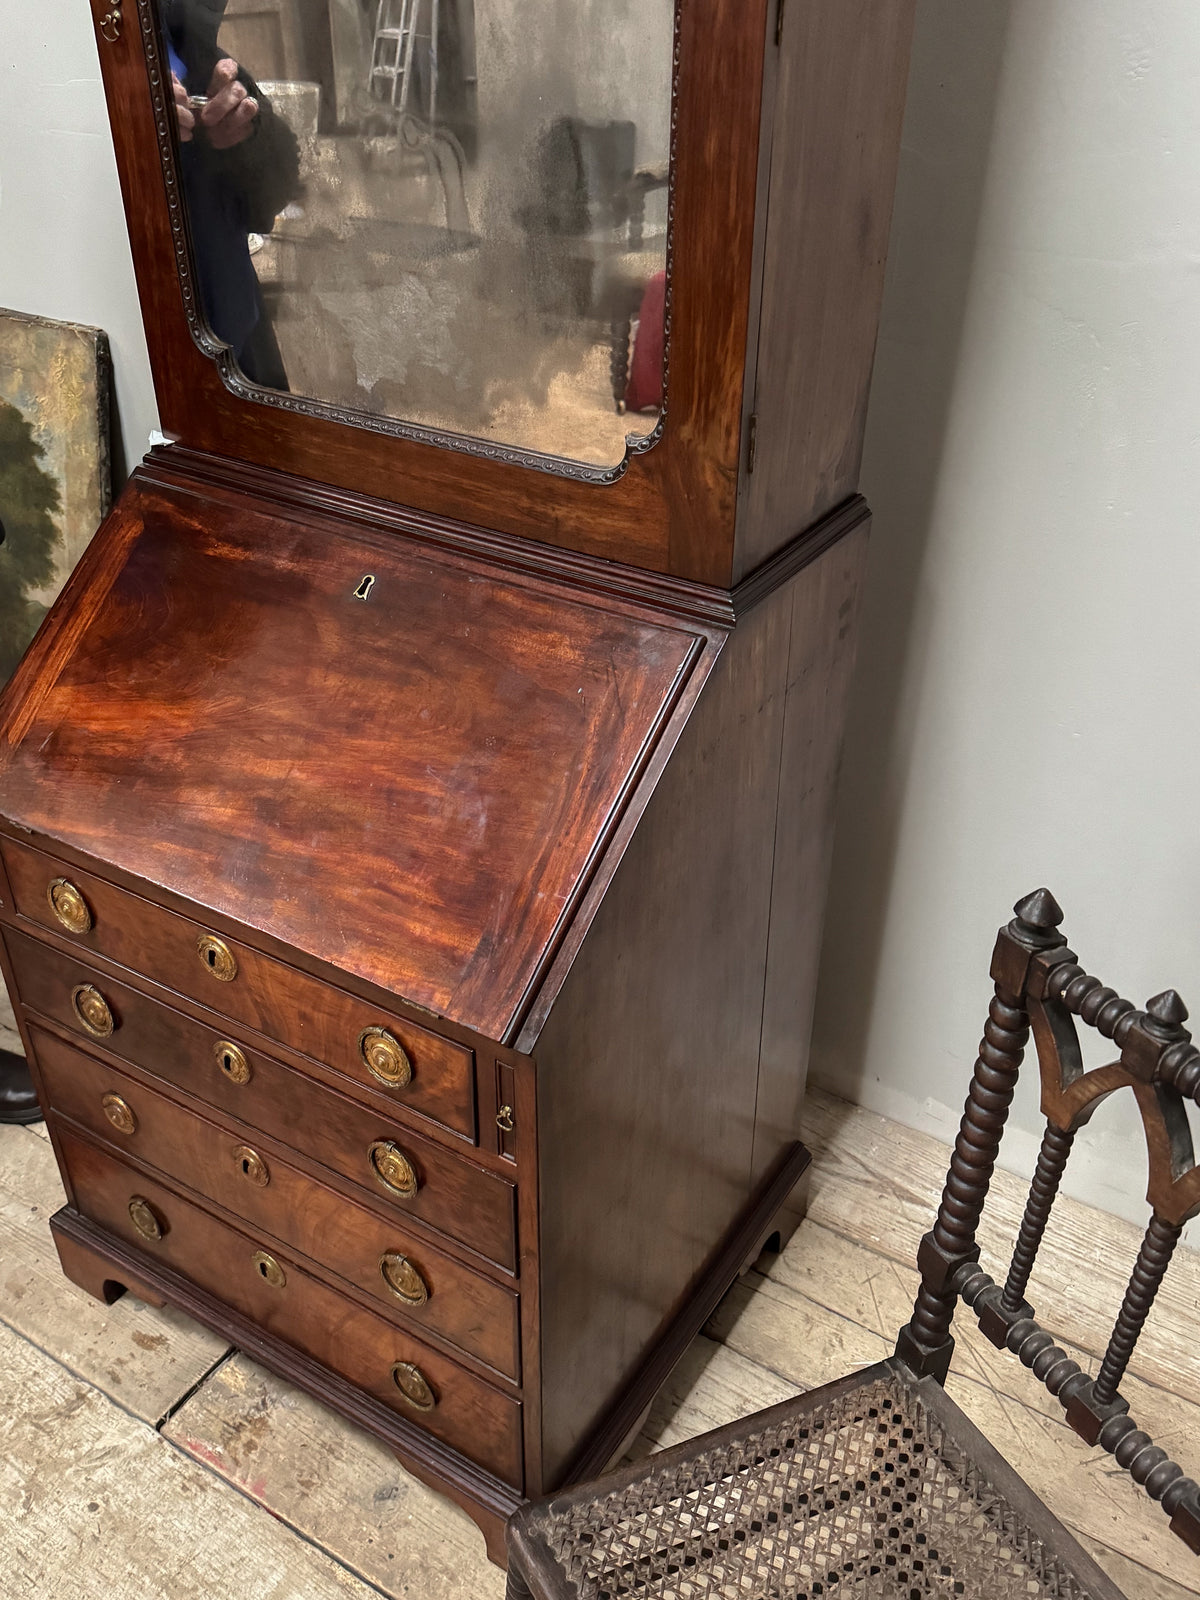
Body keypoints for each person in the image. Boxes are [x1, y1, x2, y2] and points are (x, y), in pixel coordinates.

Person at [162, 0, 302, 388]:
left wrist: (248, 134)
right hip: (160, 367)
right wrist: (125, 124)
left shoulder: (198, 49)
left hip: (244, 348)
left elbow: (271, 199)